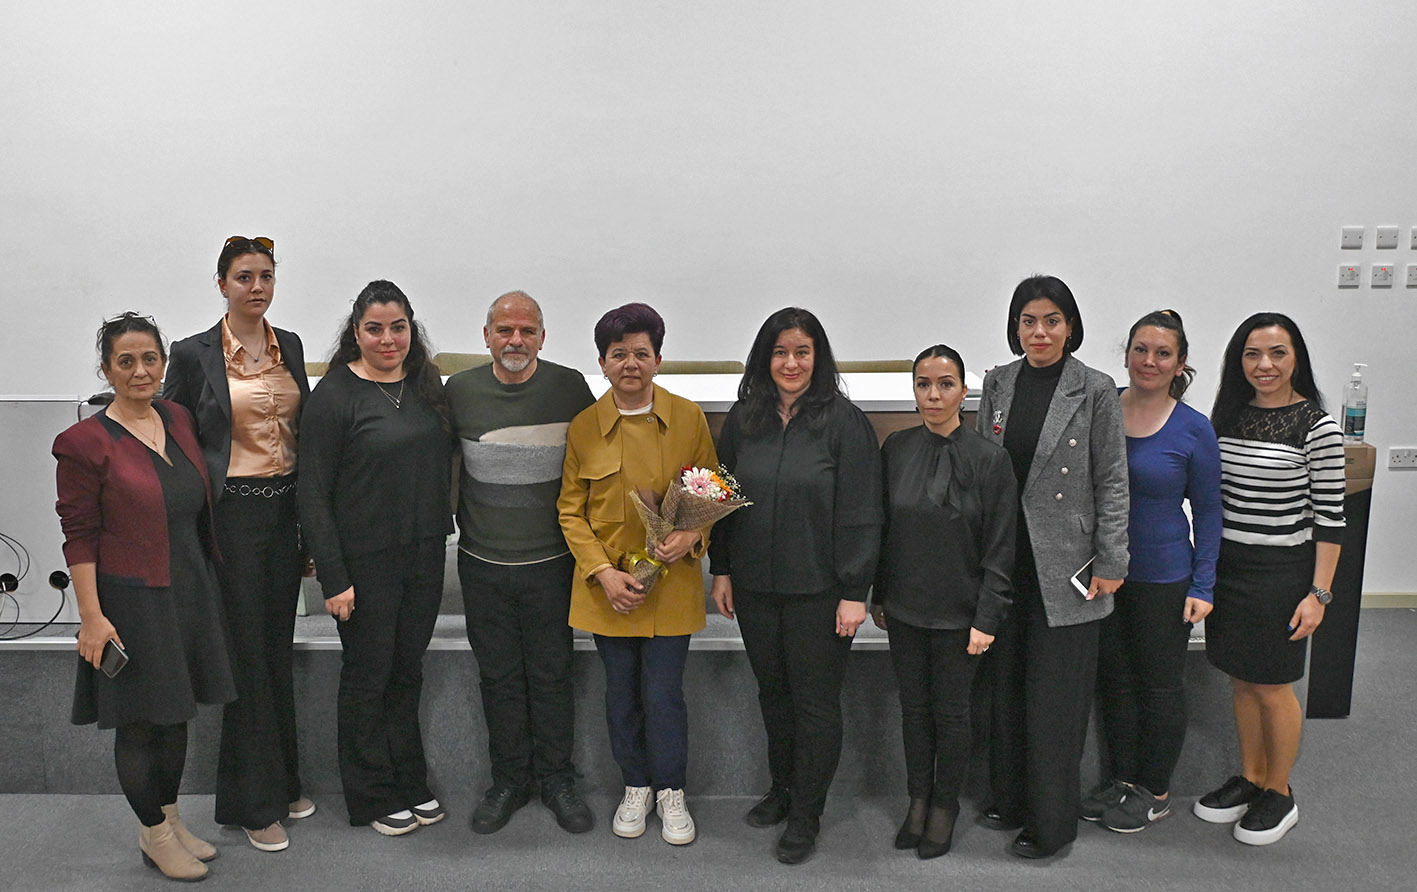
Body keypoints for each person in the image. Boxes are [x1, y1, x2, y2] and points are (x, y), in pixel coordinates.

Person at [54, 312, 237, 881]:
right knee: (139, 723)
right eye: (126, 361)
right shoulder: (83, 443)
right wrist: (91, 617)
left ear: (163, 363)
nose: (140, 371)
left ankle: (170, 820)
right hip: (130, 601)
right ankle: (154, 834)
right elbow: (78, 535)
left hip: (187, 590)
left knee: (175, 715)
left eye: (149, 359)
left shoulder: (176, 417)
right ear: (106, 369)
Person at [708, 307, 883, 865]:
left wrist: (855, 591)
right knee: (773, 694)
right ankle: (782, 790)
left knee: (814, 704)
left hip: (821, 593)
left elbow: (863, 511)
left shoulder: (846, 423)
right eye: (780, 352)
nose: (791, 363)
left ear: (818, 358)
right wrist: (721, 567)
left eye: (802, 352)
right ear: (765, 357)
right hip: (755, 587)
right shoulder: (744, 419)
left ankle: (807, 813)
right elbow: (723, 498)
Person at [162, 236, 313, 852]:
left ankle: (282, 782)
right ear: (222, 284)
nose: (257, 287)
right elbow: (170, 436)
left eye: (266, 276)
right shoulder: (193, 353)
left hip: (285, 513)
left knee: (275, 652)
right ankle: (252, 804)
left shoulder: (290, 345)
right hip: (233, 519)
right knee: (247, 658)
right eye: (245, 276)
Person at [974, 275, 1129, 859]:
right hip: (1006, 560)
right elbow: (984, 471)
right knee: (1008, 689)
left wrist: (1112, 558)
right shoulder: (998, 382)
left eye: (1052, 320)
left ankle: (1051, 822)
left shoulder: (1095, 388)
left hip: (1070, 565)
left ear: (1070, 327)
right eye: (1028, 321)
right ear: (1015, 327)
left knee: (1055, 702)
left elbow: (1113, 478)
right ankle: (1011, 797)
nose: (1039, 332)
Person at [558, 303, 718, 847]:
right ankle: (636, 786)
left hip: (671, 587)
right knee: (621, 694)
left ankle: (672, 789)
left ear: (658, 360)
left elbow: (709, 489)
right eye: (619, 353)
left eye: (642, 353)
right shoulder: (584, 426)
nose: (631, 363)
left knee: (664, 693)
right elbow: (571, 511)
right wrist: (602, 572)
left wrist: (692, 534)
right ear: (602, 362)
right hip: (612, 592)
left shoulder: (689, 418)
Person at [298, 280, 453, 837]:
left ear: (411, 328)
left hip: (423, 554)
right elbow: (313, 492)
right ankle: (369, 794)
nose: (388, 339)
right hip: (363, 563)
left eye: (398, 327)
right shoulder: (334, 395)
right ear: (356, 332)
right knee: (369, 676)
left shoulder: (425, 383)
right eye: (375, 329)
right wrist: (333, 577)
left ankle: (409, 781)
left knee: (406, 672)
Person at [446, 291, 595, 835]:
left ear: (542, 338)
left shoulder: (570, 388)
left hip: (552, 563)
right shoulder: (459, 391)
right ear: (486, 336)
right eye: (505, 330)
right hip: (482, 562)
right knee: (499, 677)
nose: (515, 340)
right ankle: (508, 781)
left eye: (527, 331)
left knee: (553, 675)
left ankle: (557, 780)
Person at [1193, 312, 1343, 846]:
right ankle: (1252, 777)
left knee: (1273, 685)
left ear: (1296, 357)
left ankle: (1280, 792)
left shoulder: (1318, 427)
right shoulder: (1228, 417)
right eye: (1252, 354)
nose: (1265, 365)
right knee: (1240, 678)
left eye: (1278, 353)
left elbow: (1331, 519)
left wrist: (1318, 594)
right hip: (1229, 569)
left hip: (1281, 574)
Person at [871, 344, 1016, 859]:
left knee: (952, 714)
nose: (933, 395)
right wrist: (880, 595)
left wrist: (988, 616)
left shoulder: (990, 459)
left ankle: (945, 805)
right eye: (924, 384)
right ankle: (918, 799)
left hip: (962, 614)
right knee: (914, 711)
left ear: (964, 391)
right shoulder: (896, 449)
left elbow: (1001, 546)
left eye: (945, 384)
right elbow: (883, 530)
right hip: (905, 608)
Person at [1085, 310, 1222, 833]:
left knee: (1159, 687)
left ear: (1180, 364)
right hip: (1103, 574)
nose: (1149, 361)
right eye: (1140, 349)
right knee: (1115, 682)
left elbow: (1209, 512)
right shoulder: (1101, 409)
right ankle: (1122, 781)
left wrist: (1203, 584)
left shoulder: (1194, 429)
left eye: (1163, 353)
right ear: (1125, 354)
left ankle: (1155, 791)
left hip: (1164, 578)